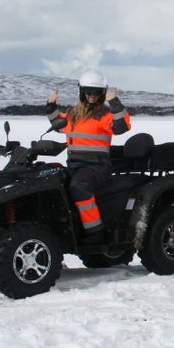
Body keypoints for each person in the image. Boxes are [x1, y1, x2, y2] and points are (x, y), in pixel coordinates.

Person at [46, 70, 131, 241]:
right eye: (88, 91)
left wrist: (114, 102)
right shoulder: (73, 114)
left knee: (79, 186)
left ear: (102, 93)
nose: (92, 96)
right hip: (75, 165)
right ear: (82, 92)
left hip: (97, 166)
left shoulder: (106, 114)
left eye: (96, 92)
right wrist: (50, 106)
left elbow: (122, 126)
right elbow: (58, 124)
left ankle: (94, 230)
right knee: (51, 183)